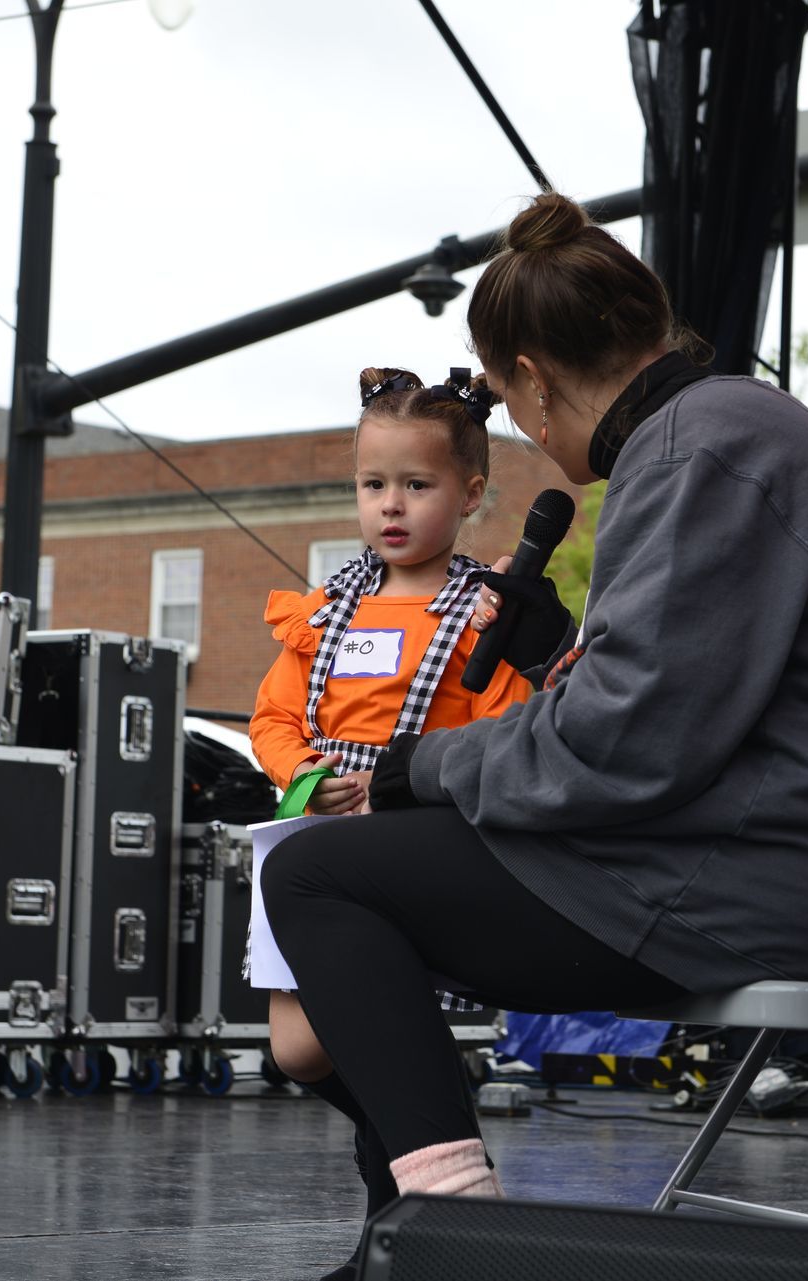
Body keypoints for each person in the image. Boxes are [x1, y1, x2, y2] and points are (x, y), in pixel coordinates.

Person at [263, 192, 808, 1275]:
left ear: (531, 373)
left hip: (742, 885)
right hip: (772, 859)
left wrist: (421, 766)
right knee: (354, 880)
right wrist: (555, 650)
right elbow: (691, 698)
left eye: (510, 405)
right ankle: (428, 1226)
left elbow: (624, 749)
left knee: (325, 878)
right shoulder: (736, 431)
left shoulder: (695, 452)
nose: (526, 433)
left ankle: (452, 1240)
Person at [246, 365, 537, 1245]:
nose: (393, 506)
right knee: (299, 1049)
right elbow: (274, 716)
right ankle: (430, 1136)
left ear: (471, 492)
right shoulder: (326, 610)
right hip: (318, 831)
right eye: (375, 485)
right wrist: (304, 774)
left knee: (378, 1023)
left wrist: (428, 780)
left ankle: (405, 1211)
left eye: (418, 484)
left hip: (419, 846)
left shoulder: (484, 612)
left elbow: (508, 728)